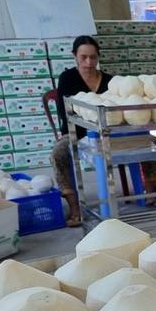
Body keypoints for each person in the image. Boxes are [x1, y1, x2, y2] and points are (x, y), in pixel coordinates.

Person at [51, 36, 112, 226]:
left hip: (105, 132)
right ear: (75, 56)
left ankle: (151, 190)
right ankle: (74, 205)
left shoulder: (109, 80)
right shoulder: (68, 78)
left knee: (142, 140)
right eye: (83, 57)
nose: (88, 62)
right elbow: (63, 111)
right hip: (76, 131)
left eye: (93, 57)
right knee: (59, 153)